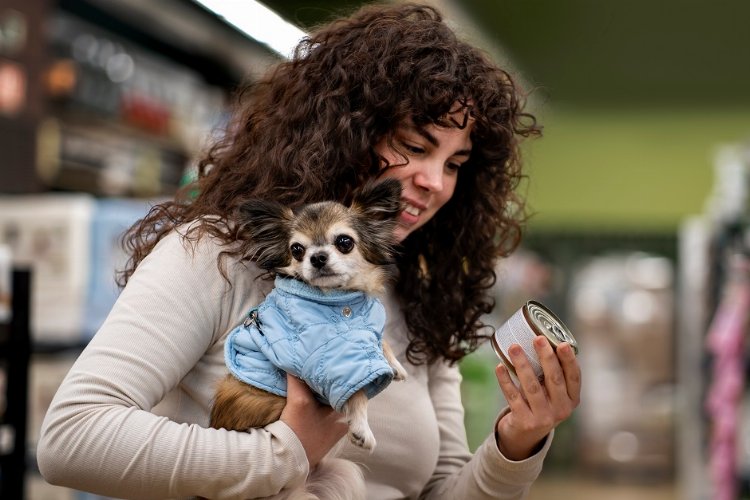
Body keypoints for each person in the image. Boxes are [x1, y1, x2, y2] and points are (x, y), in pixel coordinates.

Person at [37, 3, 581, 499]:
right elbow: (72, 436)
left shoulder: (417, 297)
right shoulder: (217, 257)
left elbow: (439, 490)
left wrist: (517, 440)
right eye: (414, 147)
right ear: (343, 131)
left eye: (455, 164)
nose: (435, 181)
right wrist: (286, 452)